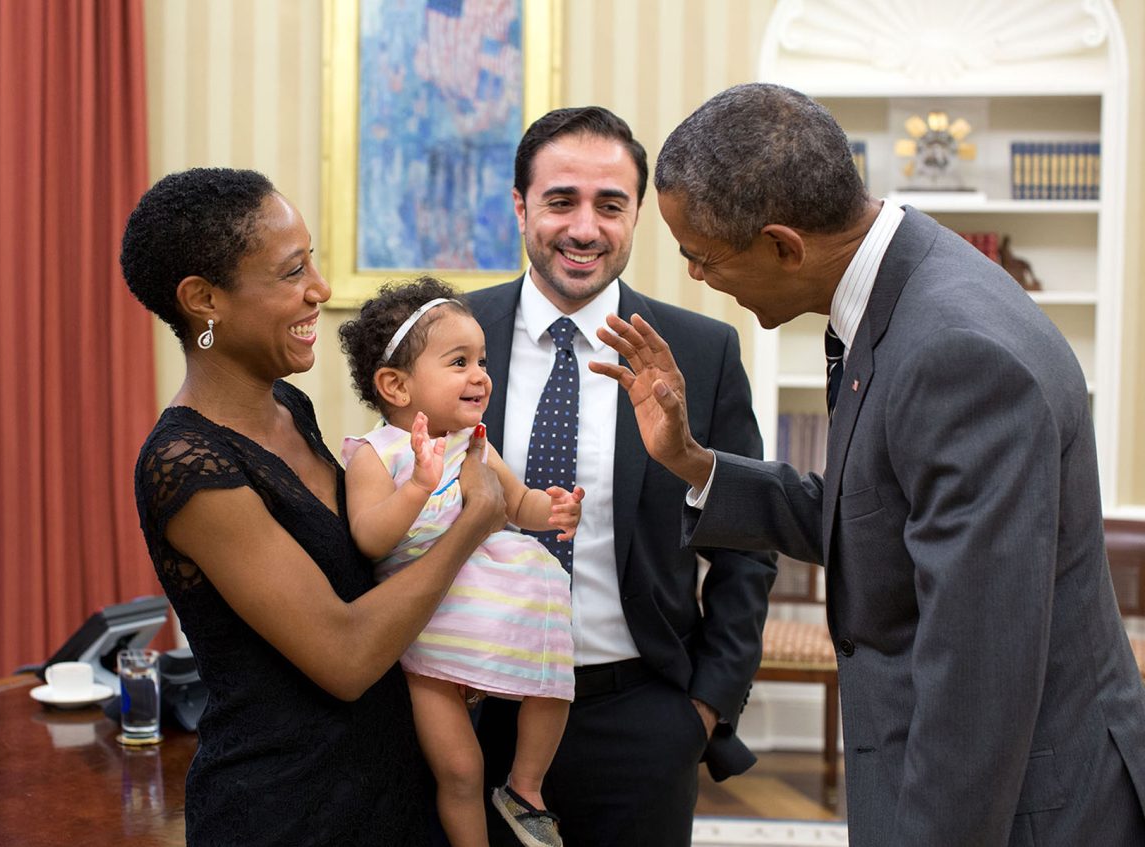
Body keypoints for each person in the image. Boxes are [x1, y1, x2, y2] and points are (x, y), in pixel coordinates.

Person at [593, 82, 1145, 847]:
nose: (696, 277)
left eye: (701, 257)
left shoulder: (954, 353)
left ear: (784, 245)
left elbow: (975, 684)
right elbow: (871, 516)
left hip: (1025, 808)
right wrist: (693, 462)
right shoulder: (904, 285)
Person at [121, 168, 508, 846]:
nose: (321, 290)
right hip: (288, 809)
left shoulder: (288, 408)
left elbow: (359, 569)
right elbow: (346, 655)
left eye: (313, 261)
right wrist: (473, 523)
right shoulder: (186, 464)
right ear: (204, 299)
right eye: (293, 270)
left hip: (386, 787)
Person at [468, 106, 776, 847]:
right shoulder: (451, 335)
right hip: (472, 712)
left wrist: (704, 706)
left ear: (637, 213)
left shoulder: (701, 351)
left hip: (641, 716)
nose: (585, 228)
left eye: (610, 205)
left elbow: (747, 542)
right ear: (520, 207)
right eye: (561, 201)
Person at [337, 277, 583, 847]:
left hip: (494, 605)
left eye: (482, 361)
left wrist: (553, 509)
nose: (480, 375)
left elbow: (516, 503)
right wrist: (417, 487)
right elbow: (370, 538)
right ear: (396, 385)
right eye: (459, 362)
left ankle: (525, 787)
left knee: (554, 679)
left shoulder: (475, 442)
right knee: (460, 768)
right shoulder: (376, 455)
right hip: (426, 633)